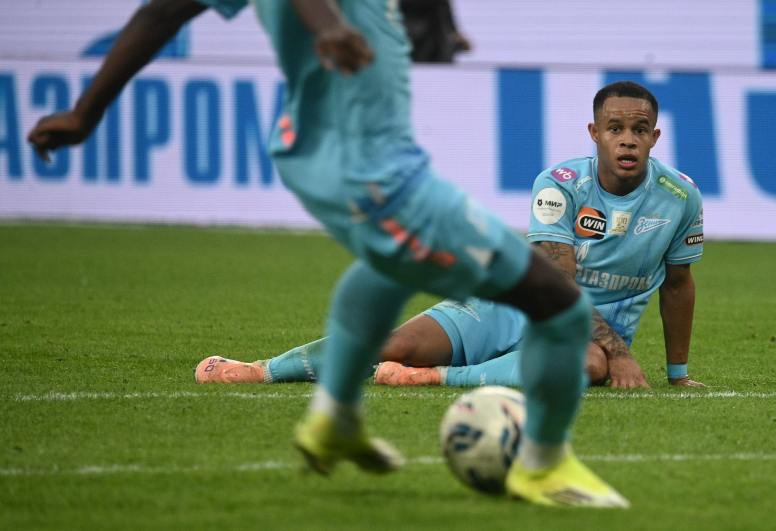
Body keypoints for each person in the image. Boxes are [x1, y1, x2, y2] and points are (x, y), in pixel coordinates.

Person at [28, 0, 627, 508]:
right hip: (381, 175)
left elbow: (164, 10)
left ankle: (334, 418)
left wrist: (86, 112)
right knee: (560, 306)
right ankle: (542, 465)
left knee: (392, 267)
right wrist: (328, 26)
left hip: (316, 155)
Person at [196, 81, 706, 390]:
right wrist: (622, 353)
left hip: (584, 338)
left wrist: (677, 372)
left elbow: (678, 284)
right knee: (396, 343)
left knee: (586, 365)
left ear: (655, 137)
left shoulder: (679, 197)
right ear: (594, 133)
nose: (627, 140)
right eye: (615, 128)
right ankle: (263, 369)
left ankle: (432, 378)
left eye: (639, 129)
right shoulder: (560, 184)